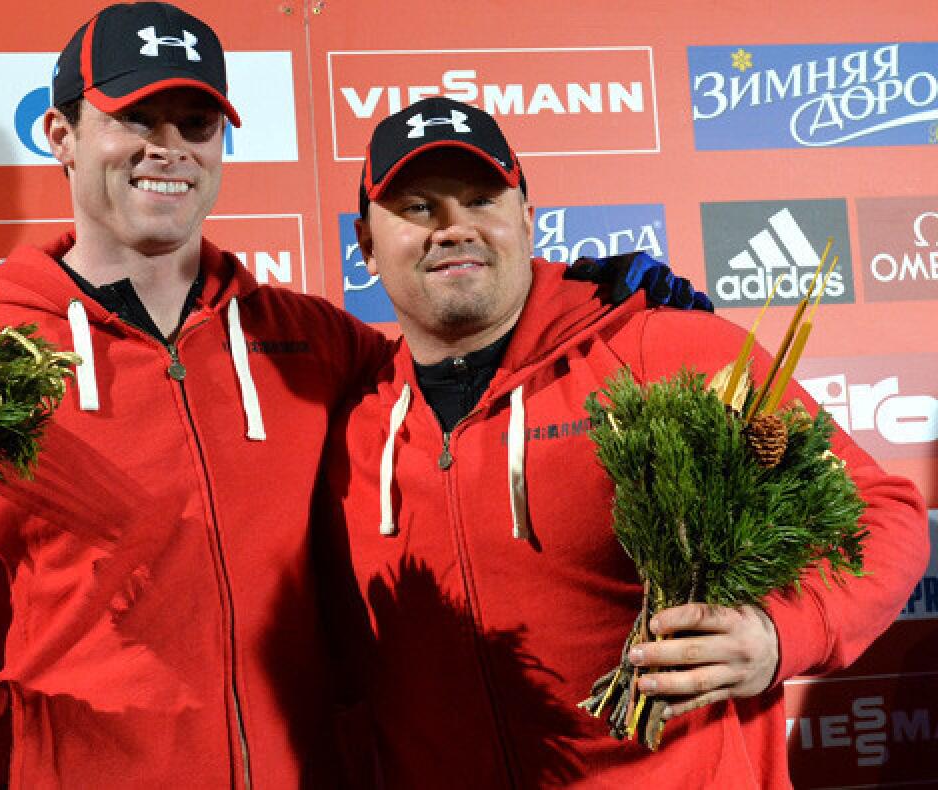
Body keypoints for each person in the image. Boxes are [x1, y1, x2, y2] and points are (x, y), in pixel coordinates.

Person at [0, 6, 704, 787]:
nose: (167, 150)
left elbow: (464, 372)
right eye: (136, 118)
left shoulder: (309, 342)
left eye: (195, 124)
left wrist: (585, 306)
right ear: (60, 133)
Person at [317, 96, 929, 789]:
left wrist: (782, 632)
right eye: (419, 208)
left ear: (527, 217)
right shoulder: (352, 426)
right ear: (366, 243)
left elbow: (882, 514)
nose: (455, 228)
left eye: (483, 198)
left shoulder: (662, 348)